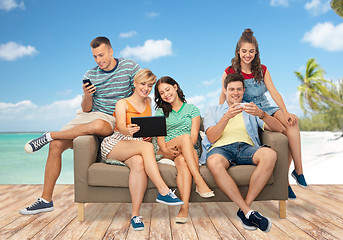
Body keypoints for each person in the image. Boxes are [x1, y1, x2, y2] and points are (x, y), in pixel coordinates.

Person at [20, 36, 140, 215]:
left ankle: (50, 134)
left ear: (111, 51)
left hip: (113, 117)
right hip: (89, 115)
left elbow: (139, 95)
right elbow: (86, 109)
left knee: (100, 125)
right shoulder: (90, 75)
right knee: (56, 145)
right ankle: (46, 200)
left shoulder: (130, 67)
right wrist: (87, 95)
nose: (99, 60)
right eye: (95, 57)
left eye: (101, 55)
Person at [219, 28, 308, 199]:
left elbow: (274, 92)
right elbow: (224, 94)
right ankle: (285, 182)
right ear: (238, 51)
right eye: (244, 51)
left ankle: (298, 170)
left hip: (266, 107)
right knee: (283, 134)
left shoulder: (262, 69)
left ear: (256, 52)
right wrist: (222, 115)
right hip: (249, 110)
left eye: (251, 51)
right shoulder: (230, 71)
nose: (248, 54)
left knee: (292, 124)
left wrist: (286, 111)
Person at [100, 69, 183, 231]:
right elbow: (121, 126)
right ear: (135, 83)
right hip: (116, 144)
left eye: (150, 85)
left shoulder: (150, 102)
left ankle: (135, 216)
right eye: (143, 84)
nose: (146, 88)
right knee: (146, 147)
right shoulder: (122, 103)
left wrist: (147, 135)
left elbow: (149, 125)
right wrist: (128, 130)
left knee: (139, 163)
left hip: (134, 145)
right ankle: (163, 190)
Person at [204, 73, 283, 232]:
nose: (235, 93)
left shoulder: (251, 108)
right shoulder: (213, 110)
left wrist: (262, 114)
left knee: (270, 155)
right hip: (221, 148)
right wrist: (226, 117)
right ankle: (248, 212)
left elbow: (279, 128)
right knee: (213, 162)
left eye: (239, 89)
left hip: (246, 147)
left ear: (243, 90)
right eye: (231, 89)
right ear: (225, 91)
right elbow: (212, 137)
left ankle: (244, 210)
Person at [154, 76, 214, 224]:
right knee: (185, 138)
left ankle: (184, 208)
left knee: (182, 160)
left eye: (167, 89)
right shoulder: (161, 111)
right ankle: (199, 181)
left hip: (188, 149)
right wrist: (167, 151)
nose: (166, 94)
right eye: (161, 93)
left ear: (175, 87)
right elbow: (161, 142)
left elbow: (194, 139)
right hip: (168, 148)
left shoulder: (192, 109)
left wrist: (182, 148)